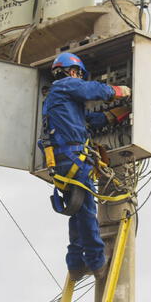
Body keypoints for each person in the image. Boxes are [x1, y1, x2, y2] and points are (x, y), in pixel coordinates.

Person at [41, 52, 130, 281]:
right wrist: (119, 91)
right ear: (73, 72)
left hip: (64, 161)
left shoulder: (61, 103)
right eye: (79, 75)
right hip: (73, 159)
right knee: (88, 212)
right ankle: (96, 261)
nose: (79, 79)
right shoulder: (64, 86)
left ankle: (75, 265)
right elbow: (94, 91)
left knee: (78, 211)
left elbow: (89, 123)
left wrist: (118, 114)